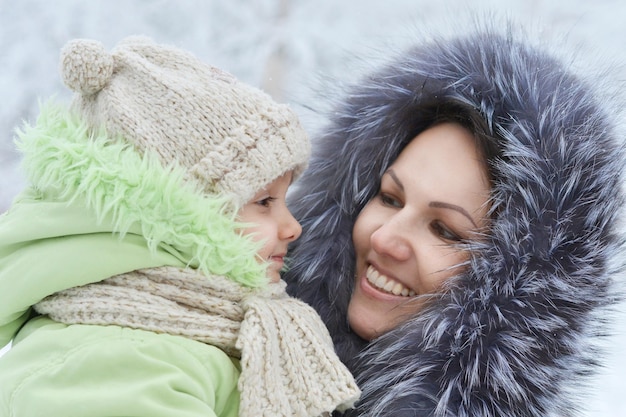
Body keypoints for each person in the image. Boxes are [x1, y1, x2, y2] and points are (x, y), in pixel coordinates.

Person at [0, 36, 360, 417]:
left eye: (285, 199)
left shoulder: (190, 332)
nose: (293, 227)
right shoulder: (121, 362)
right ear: (177, 213)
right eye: (264, 202)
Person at [284, 22, 625, 417]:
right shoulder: (226, 364)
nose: (384, 240)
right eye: (390, 198)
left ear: (514, 291)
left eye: (444, 230)